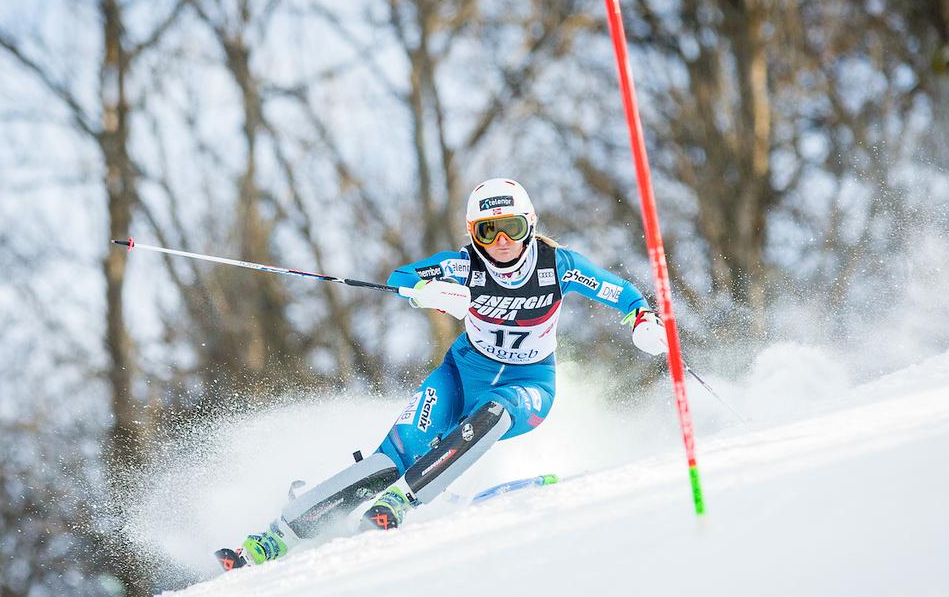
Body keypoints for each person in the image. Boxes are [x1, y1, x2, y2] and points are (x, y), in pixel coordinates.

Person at [217, 178, 668, 570]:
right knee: (390, 459)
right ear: (474, 235)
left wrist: (644, 321)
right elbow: (400, 277)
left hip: (528, 385)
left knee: (493, 413)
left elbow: (621, 292)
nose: (502, 242)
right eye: (488, 231)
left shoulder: (557, 265)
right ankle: (278, 534)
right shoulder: (463, 266)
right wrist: (430, 292)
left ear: (529, 225)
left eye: (512, 227)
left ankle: (403, 499)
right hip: (459, 374)